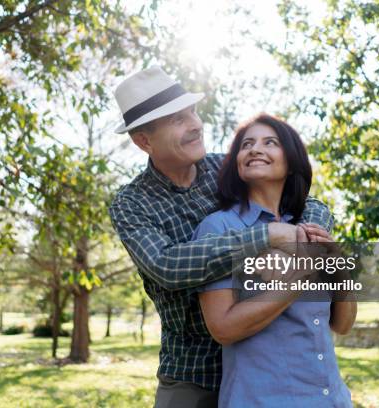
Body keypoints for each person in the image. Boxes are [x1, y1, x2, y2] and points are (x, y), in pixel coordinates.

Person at [109, 66, 335, 408]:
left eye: (193, 112)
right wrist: (267, 236)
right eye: (176, 120)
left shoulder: (224, 168)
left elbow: (305, 201)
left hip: (261, 359)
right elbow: (167, 266)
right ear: (143, 140)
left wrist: (306, 238)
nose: (195, 125)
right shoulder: (131, 203)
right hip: (193, 371)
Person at [194, 113, 357, 407]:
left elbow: (342, 324)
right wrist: (299, 279)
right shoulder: (219, 229)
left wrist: (340, 266)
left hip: (330, 398)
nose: (255, 149)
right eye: (246, 145)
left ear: (292, 160)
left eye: (270, 142)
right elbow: (223, 328)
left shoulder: (308, 228)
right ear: (237, 162)